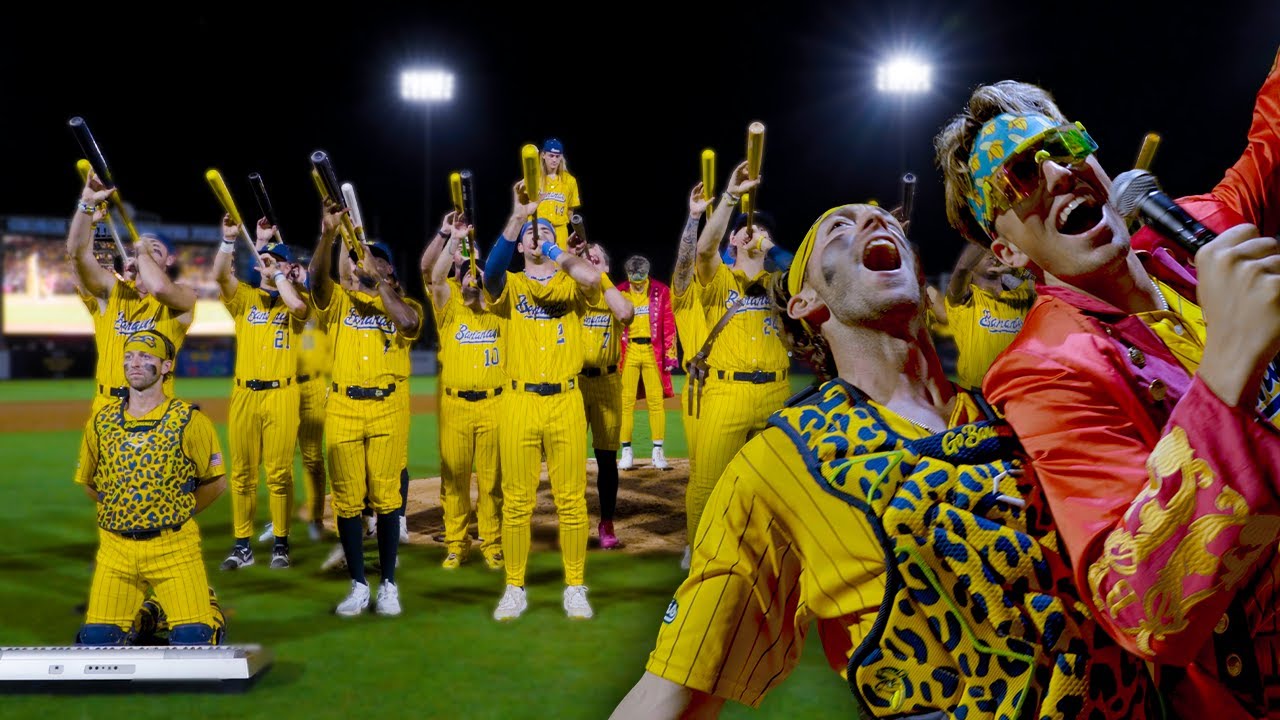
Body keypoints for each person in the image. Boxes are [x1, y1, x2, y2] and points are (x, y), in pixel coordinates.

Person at [610, 204, 1154, 718]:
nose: (872, 220)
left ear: (919, 278)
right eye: (840, 228)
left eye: (882, 221)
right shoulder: (779, 461)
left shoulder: (1022, 412)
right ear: (805, 303)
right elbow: (676, 686)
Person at [935, 65, 1280, 717]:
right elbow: (1141, 608)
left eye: (1064, 147)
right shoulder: (1043, 368)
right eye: (1019, 175)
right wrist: (1230, 378)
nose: (1059, 173)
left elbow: (1273, 142)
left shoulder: (1185, 242)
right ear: (1006, 253)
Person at [482, 180, 603, 621]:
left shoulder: (573, 288)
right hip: (519, 401)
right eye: (534, 235)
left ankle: (575, 584)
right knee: (516, 502)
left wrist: (558, 252)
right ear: (521, 246)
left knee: (572, 499)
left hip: (567, 400)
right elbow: (489, 275)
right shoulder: (510, 285)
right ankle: (514, 586)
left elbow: (589, 279)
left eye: (547, 233)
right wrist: (518, 217)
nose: (540, 236)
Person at [74, 329, 227, 645]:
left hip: (174, 549)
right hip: (116, 550)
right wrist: (122, 509)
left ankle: (207, 610)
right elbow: (89, 482)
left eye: (145, 356)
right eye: (129, 356)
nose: (135, 363)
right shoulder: (101, 422)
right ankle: (148, 615)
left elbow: (216, 482)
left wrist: (173, 512)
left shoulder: (190, 421)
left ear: (167, 366)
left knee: (194, 642)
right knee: (95, 643)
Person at [310, 205, 422, 617]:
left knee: (388, 499)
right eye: (360, 258)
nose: (363, 262)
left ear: (389, 270)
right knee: (348, 502)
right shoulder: (340, 301)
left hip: (387, 408)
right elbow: (315, 282)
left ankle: (389, 583)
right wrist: (327, 236)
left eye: (373, 258)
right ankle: (358, 584)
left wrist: (380, 287)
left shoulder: (404, 303)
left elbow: (408, 323)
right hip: (342, 405)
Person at [685, 161, 791, 569]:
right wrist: (729, 198)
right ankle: (701, 562)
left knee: (772, 484)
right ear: (732, 238)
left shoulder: (779, 283)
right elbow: (703, 251)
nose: (753, 231)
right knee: (707, 485)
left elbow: (806, 270)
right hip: (726, 391)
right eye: (745, 229)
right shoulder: (719, 278)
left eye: (762, 229)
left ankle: (765, 562)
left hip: (776, 393)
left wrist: (764, 248)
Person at [214, 215, 309, 571]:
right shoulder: (245, 299)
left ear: (288, 266)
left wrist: (280, 274)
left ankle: (281, 544)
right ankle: (242, 546)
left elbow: (299, 307)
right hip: (244, 395)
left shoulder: (295, 302)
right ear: (257, 262)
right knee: (241, 473)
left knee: (280, 474)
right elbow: (220, 277)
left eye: (278, 259)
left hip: (282, 395)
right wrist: (228, 241)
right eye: (266, 258)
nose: (270, 262)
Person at [68, 173, 195, 412]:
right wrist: (86, 205)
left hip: (153, 409)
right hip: (106, 405)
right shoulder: (112, 290)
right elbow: (77, 255)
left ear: (169, 261)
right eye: (140, 248)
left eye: (155, 249)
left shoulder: (183, 297)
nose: (144, 250)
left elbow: (158, 288)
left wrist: (143, 253)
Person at [425, 211, 506, 571]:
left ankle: (492, 543)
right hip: (456, 405)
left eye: (478, 272)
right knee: (453, 480)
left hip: (494, 405)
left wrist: (482, 270)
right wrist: (455, 239)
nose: (471, 276)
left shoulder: (502, 311)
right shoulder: (448, 305)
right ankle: (457, 544)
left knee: (492, 483)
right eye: (466, 272)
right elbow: (435, 274)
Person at [577, 241, 634, 549]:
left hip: (608, 382)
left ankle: (606, 522)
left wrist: (601, 277)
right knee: (569, 458)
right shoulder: (571, 295)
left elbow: (626, 314)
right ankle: (570, 519)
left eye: (598, 253)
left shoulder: (616, 297)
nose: (592, 253)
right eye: (586, 255)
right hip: (574, 382)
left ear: (608, 267)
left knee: (607, 459)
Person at [927, 243, 1035, 390]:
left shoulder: (1023, 296)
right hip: (979, 395)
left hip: (1018, 391)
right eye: (984, 251)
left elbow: (1050, 281)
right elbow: (962, 268)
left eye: (994, 251)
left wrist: (1017, 270)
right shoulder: (963, 299)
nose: (991, 253)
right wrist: (979, 233)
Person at [616, 255, 677, 471]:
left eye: (641, 281)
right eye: (634, 281)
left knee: (656, 403)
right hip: (628, 351)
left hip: (653, 351)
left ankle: (657, 451)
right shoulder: (620, 291)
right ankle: (626, 452)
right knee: (625, 403)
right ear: (628, 275)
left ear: (647, 274)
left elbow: (669, 322)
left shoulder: (661, 291)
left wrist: (670, 355)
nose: (638, 286)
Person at [536, 137, 582, 248]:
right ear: (543, 155)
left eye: (557, 156)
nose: (554, 160)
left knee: (559, 264)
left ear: (561, 157)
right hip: (537, 229)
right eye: (551, 155)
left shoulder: (570, 181)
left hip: (560, 232)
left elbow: (570, 210)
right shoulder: (534, 179)